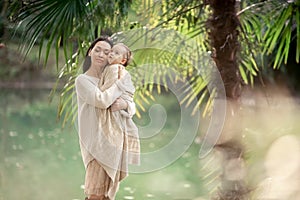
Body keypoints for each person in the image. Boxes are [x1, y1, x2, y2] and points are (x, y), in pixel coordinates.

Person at [75, 37, 139, 200]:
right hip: (95, 145)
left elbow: (132, 106)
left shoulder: (111, 76)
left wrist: (125, 104)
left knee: (108, 196)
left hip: (114, 143)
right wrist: (119, 85)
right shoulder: (83, 80)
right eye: (97, 50)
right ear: (90, 52)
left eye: (107, 52)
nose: (101, 55)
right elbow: (102, 101)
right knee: (95, 194)